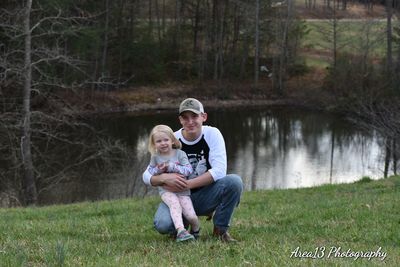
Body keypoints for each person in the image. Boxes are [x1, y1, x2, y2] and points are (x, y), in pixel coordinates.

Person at [143, 98, 243, 242]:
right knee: (162, 224)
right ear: (180, 120)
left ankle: (220, 230)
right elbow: (146, 175)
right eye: (185, 117)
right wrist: (163, 179)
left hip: (206, 194)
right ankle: (181, 226)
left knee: (234, 182)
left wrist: (186, 184)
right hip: (177, 196)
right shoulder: (171, 140)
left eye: (195, 116)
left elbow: (220, 171)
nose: (190, 122)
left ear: (204, 117)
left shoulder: (212, 134)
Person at [146, 124, 200, 242]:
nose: (163, 143)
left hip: (183, 190)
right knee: (174, 204)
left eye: (166, 139)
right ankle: (181, 231)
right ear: (154, 144)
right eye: (159, 141)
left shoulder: (180, 154)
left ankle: (195, 229)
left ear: (172, 140)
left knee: (191, 215)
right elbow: (150, 172)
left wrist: (172, 166)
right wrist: (159, 170)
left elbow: (188, 170)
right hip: (166, 191)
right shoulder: (155, 157)